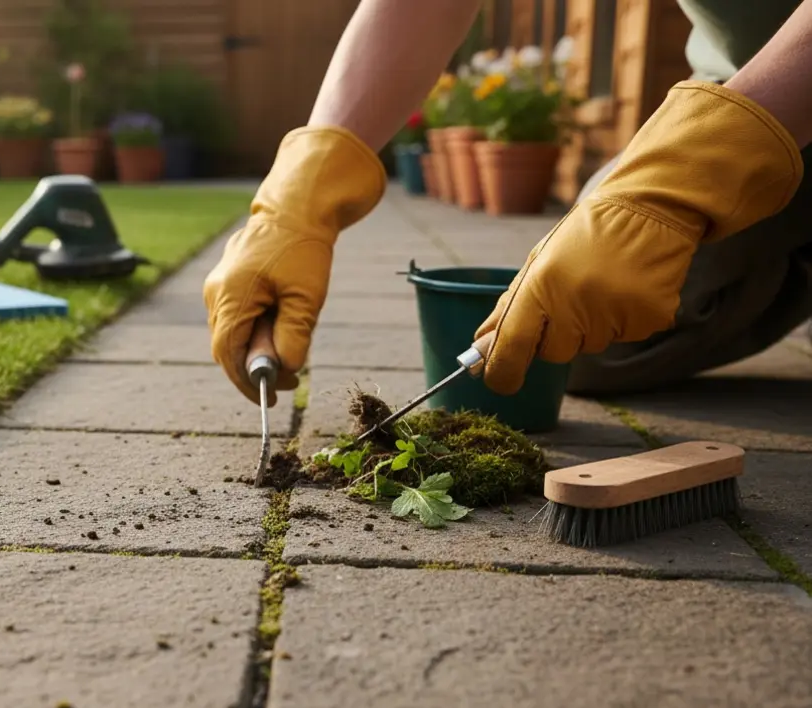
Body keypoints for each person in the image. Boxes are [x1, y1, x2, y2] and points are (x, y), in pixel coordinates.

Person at [202, 0, 812, 408]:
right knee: (590, 328)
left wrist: (693, 176)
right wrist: (300, 192)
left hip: (758, 114)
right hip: (743, 99)